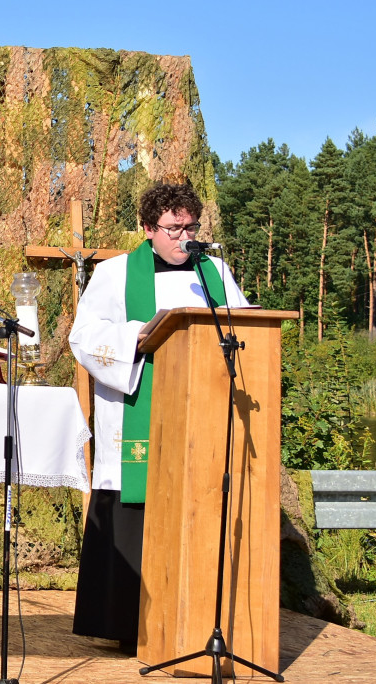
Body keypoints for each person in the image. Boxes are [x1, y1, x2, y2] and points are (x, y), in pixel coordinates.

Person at [67, 183, 249, 651]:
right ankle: (128, 625)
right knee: (137, 509)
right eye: (172, 228)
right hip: (139, 412)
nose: (183, 237)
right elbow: (84, 336)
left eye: (190, 227)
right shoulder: (115, 273)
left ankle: (195, 619)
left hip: (200, 417)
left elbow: (245, 327)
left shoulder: (215, 272)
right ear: (148, 229)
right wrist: (136, 337)